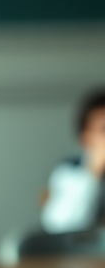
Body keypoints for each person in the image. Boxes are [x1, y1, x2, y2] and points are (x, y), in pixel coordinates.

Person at [41, 88, 105, 234]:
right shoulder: (68, 171)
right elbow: (58, 226)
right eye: (104, 130)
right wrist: (93, 173)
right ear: (86, 138)